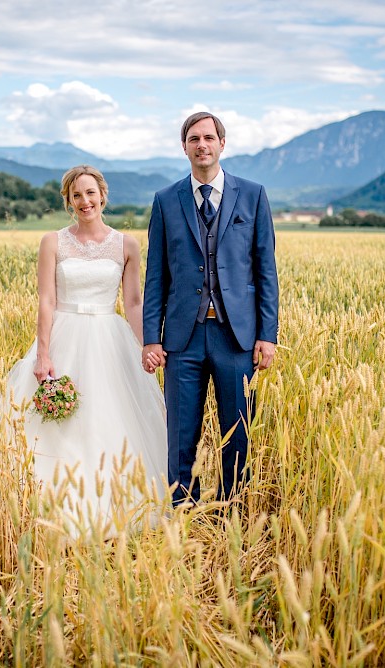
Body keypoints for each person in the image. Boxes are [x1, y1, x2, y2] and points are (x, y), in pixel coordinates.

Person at [6, 165, 168, 532]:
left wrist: (147, 347)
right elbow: (46, 300)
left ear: (102, 196)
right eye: (76, 195)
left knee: (112, 418)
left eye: (90, 193)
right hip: (65, 335)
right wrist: (44, 354)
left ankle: (114, 508)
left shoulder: (126, 244)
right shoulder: (53, 242)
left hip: (110, 340)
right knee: (62, 425)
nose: (85, 201)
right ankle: (59, 507)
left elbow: (133, 302)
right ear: (68, 201)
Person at [142, 111, 279, 507]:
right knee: (180, 434)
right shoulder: (167, 200)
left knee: (237, 432)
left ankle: (233, 513)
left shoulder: (252, 195)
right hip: (183, 338)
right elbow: (156, 278)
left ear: (222, 144)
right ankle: (184, 512)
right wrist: (153, 337)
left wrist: (267, 335)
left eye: (208, 138)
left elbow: (265, 271)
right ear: (184, 147)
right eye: (193, 139)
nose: (201, 145)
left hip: (235, 336)